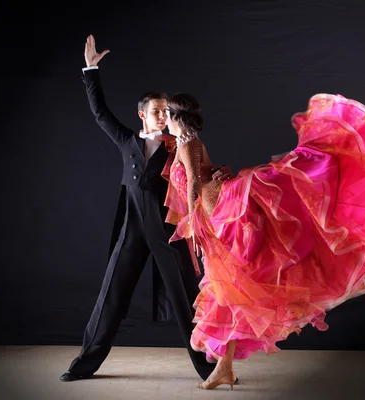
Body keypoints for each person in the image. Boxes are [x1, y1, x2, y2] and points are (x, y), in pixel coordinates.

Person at [162, 92, 365, 390]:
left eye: (166, 115)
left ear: (176, 118)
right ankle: (224, 368)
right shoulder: (188, 143)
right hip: (217, 209)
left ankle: (223, 369)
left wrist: (191, 221)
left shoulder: (187, 144)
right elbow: (204, 173)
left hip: (220, 214)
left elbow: (192, 183)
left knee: (231, 285)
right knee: (229, 287)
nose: (164, 121)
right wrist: (216, 175)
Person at [59, 35, 234, 383]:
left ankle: (209, 368)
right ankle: (83, 365)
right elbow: (99, 113)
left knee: (187, 298)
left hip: (169, 229)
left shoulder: (178, 145)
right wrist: (90, 68)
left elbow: (201, 171)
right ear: (142, 115)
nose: (163, 116)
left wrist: (214, 170)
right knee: (111, 293)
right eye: (156, 111)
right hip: (132, 227)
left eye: (167, 111)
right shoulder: (127, 140)